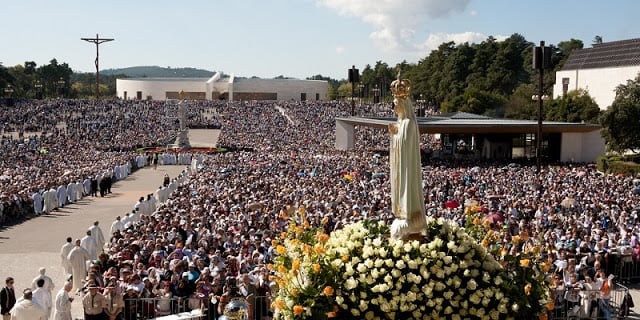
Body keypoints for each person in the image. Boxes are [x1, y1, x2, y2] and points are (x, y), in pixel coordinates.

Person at [387, 75, 427, 239]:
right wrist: (394, 133)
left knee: (407, 188)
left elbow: (405, 145)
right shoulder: (401, 122)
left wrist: (396, 135)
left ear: (403, 105)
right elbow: (398, 142)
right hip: (399, 165)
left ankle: (410, 215)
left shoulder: (409, 123)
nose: (395, 109)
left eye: (397, 106)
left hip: (406, 166)